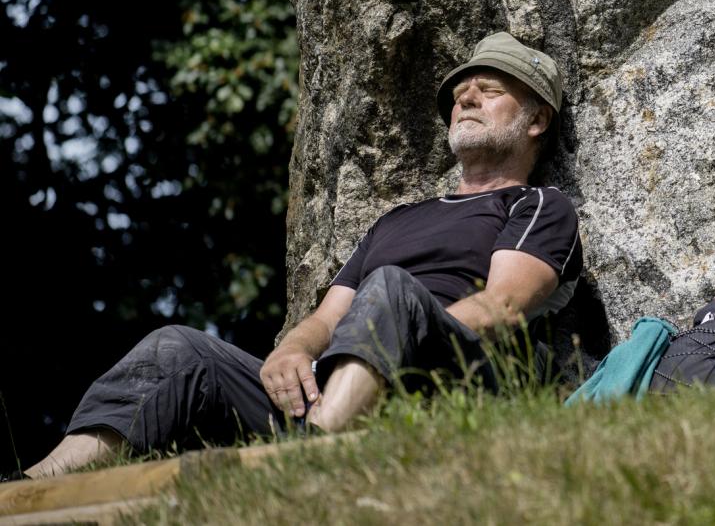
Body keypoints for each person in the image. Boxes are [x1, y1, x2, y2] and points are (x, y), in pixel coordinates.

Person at [23, 32, 580, 480]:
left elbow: (502, 307)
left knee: (388, 289)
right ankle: (34, 484)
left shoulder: (537, 205)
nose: (465, 99)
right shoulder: (396, 220)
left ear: (535, 121)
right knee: (176, 347)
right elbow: (328, 317)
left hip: (449, 382)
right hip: (339, 375)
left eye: (488, 89)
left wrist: (402, 324)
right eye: (461, 94)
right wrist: (292, 349)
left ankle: (314, 460)